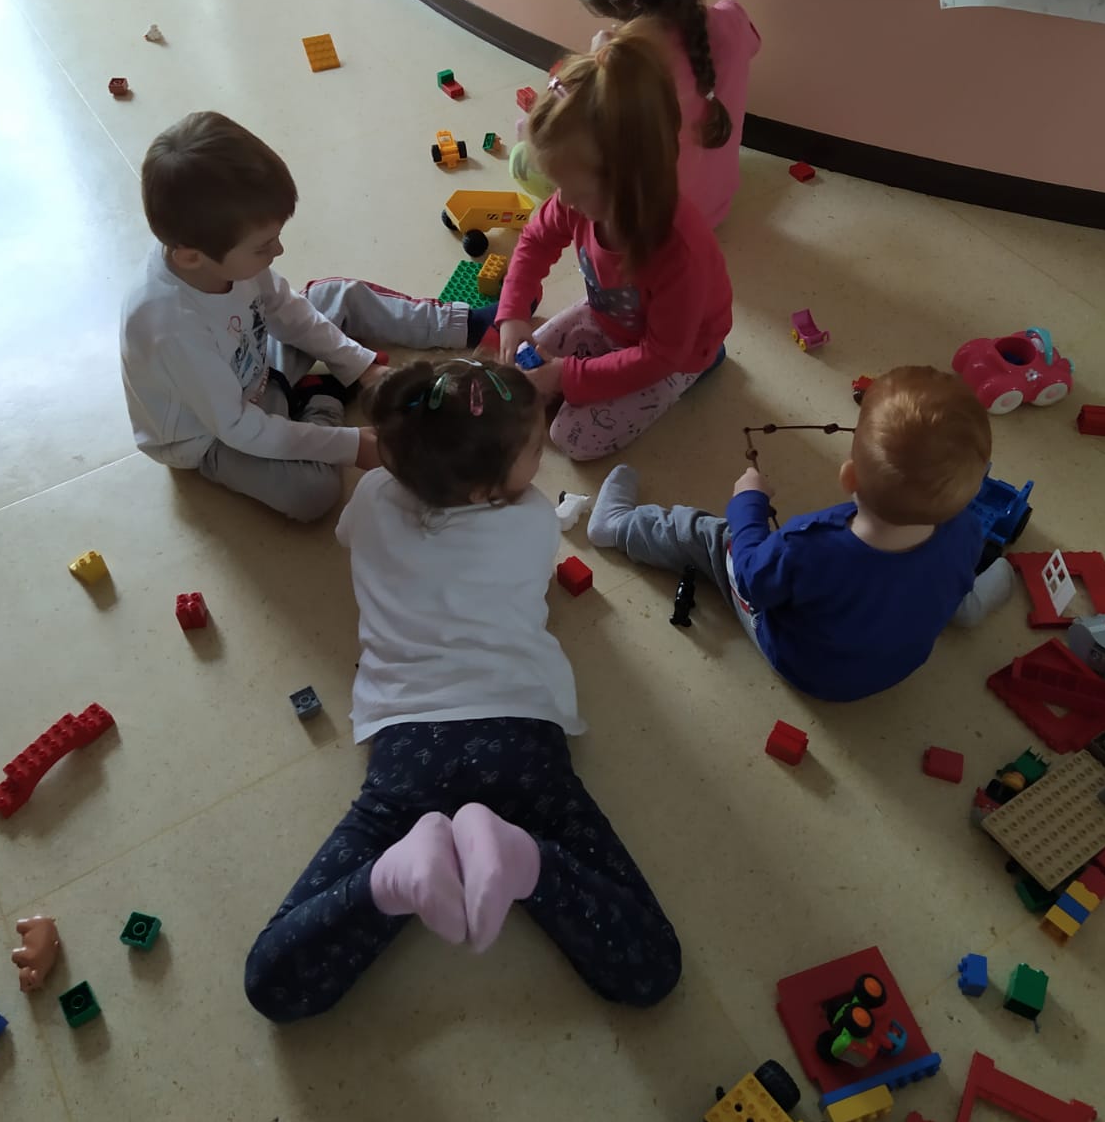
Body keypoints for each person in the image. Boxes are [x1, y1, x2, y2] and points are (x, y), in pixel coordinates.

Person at [244, 358, 682, 1023]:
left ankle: (392, 879)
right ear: (482, 489)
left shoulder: (370, 498)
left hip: (406, 751)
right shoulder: (533, 519)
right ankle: (522, 860)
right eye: (534, 449)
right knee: (649, 969)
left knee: (274, 982)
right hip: (522, 735)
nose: (541, 456)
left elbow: (350, 538)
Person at [120, 111, 500, 522]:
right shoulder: (169, 326)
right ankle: (323, 397)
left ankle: (459, 324)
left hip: (257, 362)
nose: (278, 252)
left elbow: (284, 308)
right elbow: (238, 427)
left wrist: (361, 364)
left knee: (339, 297)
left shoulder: (217, 251)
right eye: (263, 246)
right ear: (192, 257)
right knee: (311, 494)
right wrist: (351, 444)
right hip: (212, 434)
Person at [586, 366, 1015, 702]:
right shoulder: (966, 528)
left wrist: (748, 503)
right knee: (942, 574)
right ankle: (965, 605)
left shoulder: (809, 545)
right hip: (898, 663)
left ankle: (619, 527)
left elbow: (752, 578)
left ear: (849, 476)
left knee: (713, 538)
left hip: (810, 669)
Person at [494, 24, 733, 462]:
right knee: (515, 375)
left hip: (675, 354)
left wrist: (566, 377)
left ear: (629, 181)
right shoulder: (579, 198)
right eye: (558, 186)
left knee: (570, 437)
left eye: (574, 190)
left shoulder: (679, 250)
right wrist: (512, 313)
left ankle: (707, 362)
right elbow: (535, 240)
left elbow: (659, 355)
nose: (563, 200)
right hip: (609, 319)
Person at [573, 0, 760, 231]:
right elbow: (750, 45)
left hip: (660, 227)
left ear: (611, 8)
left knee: (546, 160)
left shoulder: (622, 66)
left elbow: (588, 140)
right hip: (718, 206)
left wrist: (595, 62)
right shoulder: (733, 18)